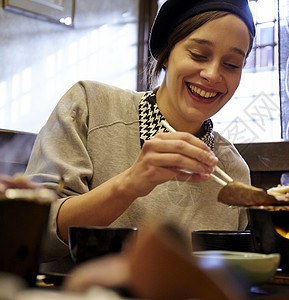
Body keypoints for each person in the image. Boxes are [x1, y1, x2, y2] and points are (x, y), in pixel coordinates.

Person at [24, 0, 255, 270]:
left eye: (231, 64)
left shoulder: (234, 172)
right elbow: (30, 232)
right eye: (198, 55)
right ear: (167, 54)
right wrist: (130, 184)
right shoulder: (90, 105)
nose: (212, 74)